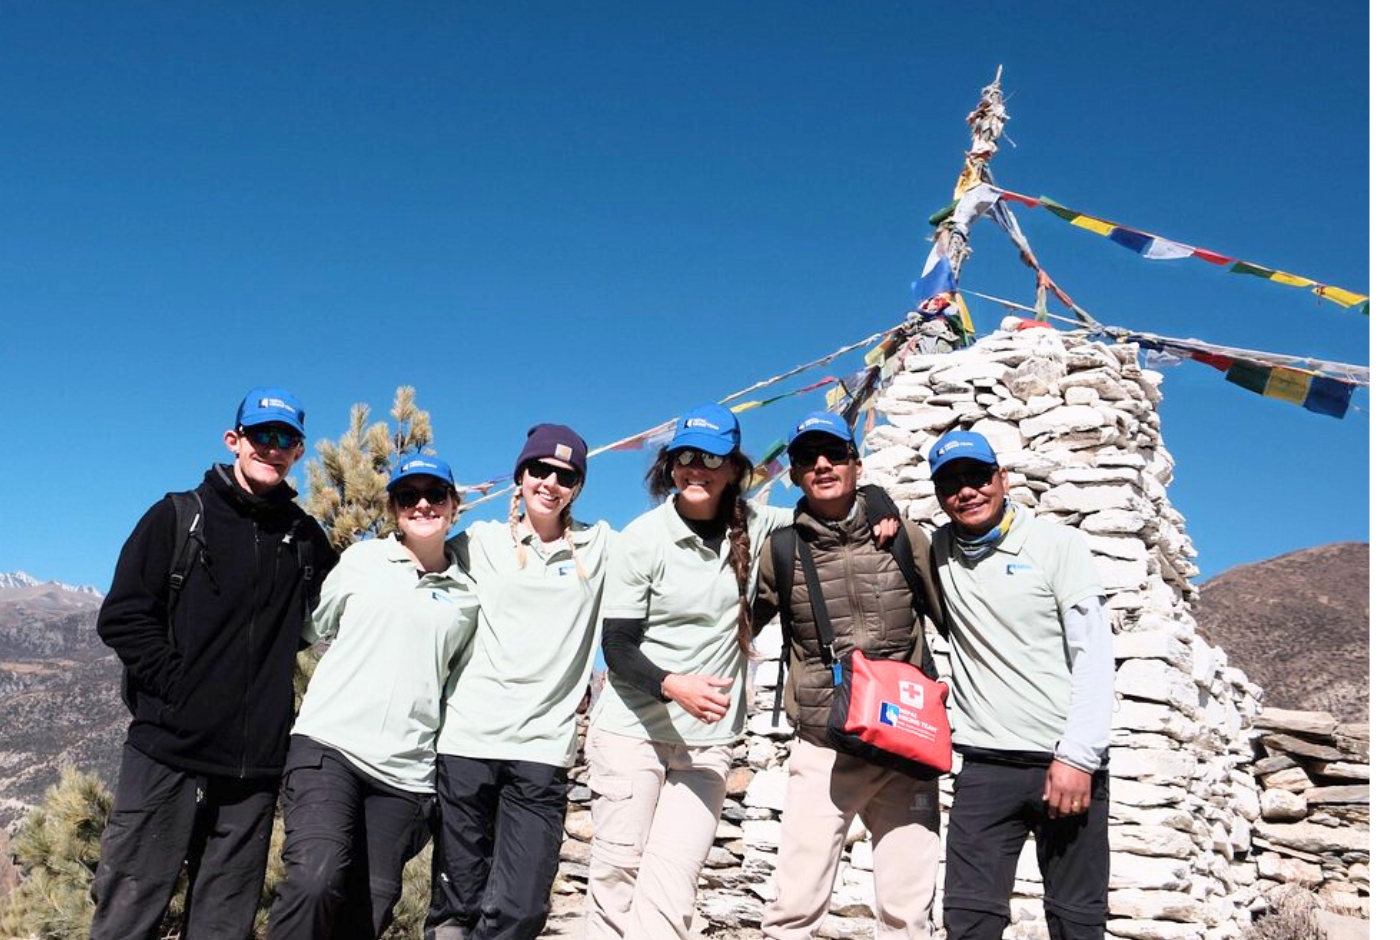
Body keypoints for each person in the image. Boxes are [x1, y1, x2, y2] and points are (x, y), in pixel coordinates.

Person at [584, 403, 897, 940]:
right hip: (631, 733)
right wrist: (672, 685)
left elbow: (827, 502)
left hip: (707, 745)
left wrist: (877, 496)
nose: (695, 468)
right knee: (617, 877)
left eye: (711, 456)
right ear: (669, 465)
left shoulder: (764, 526)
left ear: (734, 467)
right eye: (684, 456)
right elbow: (617, 647)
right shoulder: (643, 538)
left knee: (673, 886)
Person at [91, 387, 338, 940]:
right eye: (262, 436)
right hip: (167, 750)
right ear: (235, 441)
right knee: (129, 909)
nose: (273, 449)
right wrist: (180, 691)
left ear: (298, 452)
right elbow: (124, 617)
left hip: (253, 767)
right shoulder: (178, 517)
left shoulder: (303, 538)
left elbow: (353, 601)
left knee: (223, 925)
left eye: (286, 439)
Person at [266, 454, 478, 940]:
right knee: (315, 879)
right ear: (393, 507)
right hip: (329, 746)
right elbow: (305, 628)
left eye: (435, 495)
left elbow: (459, 685)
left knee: (372, 906)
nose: (422, 504)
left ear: (453, 506)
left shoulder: (468, 596)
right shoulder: (362, 561)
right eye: (409, 496)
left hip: (406, 773)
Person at [753, 412, 943, 940]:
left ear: (856, 464)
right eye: (808, 457)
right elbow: (739, 626)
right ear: (792, 474)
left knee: (908, 911)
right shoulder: (782, 550)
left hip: (907, 742)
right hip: (823, 742)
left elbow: (954, 612)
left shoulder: (905, 537)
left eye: (834, 453)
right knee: (795, 902)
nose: (822, 465)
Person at [925, 430, 1114, 940]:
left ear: (1001, 479)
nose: (966, 491)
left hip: (1065, 765)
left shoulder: (1058, 545)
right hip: (985, 766)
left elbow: (1094, 655)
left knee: (1077, 921)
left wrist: (1078, 757)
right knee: (968, 920)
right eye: (950, 482)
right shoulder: (938, 551)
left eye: (977, 477)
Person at [427, 424, 611, 940]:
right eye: (540, 469)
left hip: (542, 749)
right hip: (467, 741)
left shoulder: (600, 548)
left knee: (523, 907)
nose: (550, 482)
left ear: (577, 486)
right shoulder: (479, 541)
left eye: (566, 474)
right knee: (458, 901)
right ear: (520, 475)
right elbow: (419, 556)